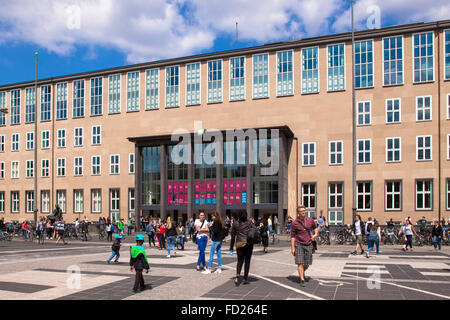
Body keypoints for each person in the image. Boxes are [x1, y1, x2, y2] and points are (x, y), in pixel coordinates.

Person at [290, 205, 319, 287]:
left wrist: (315, 234)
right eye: (301, 211)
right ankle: (302, 280)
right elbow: (292, 236)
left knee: (307, 263)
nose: (303, 212)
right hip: (299, 244)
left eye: (304, 210)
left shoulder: (310, 220)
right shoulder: (295, 223)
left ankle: (302, 271)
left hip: (308, 243)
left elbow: (315, 228)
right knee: (300, 263)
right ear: (298, 212)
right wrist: (292, 248)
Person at [229, 211, 254, 285]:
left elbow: (233, 236)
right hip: (248, 244)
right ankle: (245, 278)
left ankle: (237, 275)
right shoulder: (249, 222)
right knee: (247, 261)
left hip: (239, 244)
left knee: (239, 261)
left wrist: (231, 247)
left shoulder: (235, 223)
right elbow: (255, 229)